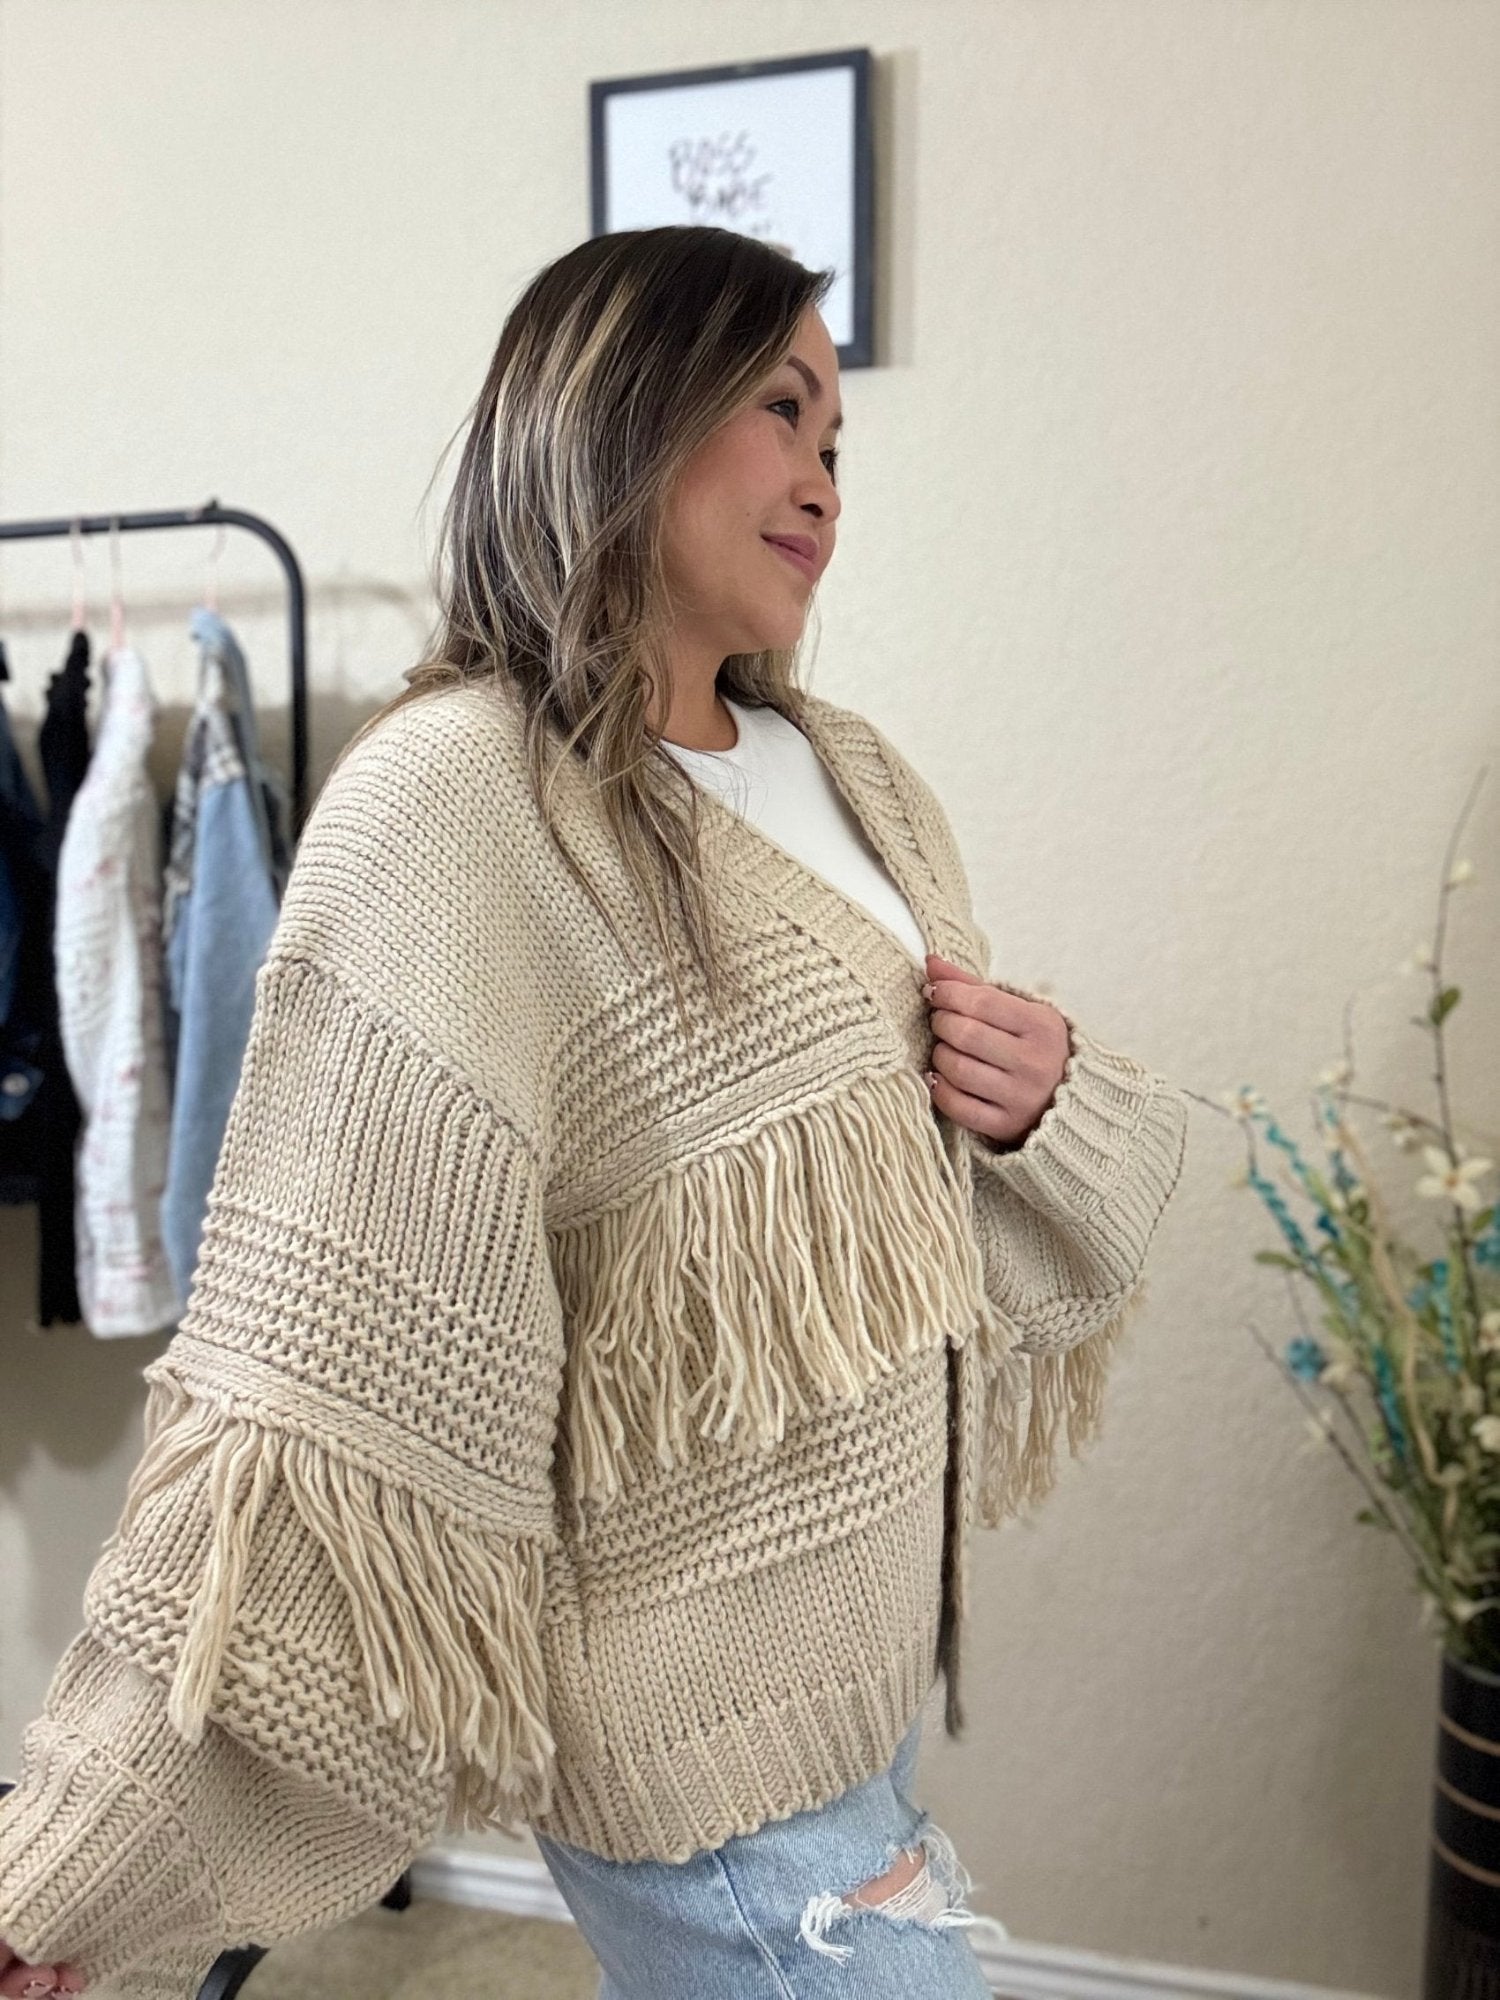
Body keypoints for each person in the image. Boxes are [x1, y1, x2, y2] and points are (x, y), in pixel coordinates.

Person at [0, 225, 1189, 2000]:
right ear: (621, 413)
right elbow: (315, 1399)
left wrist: (1040, 1108)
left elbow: (902, 1206)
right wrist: (74, 1863)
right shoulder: (461, 803)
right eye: (782, 412)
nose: (824, 481)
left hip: (860, 1693)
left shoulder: (852, 773)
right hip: (696, 1762)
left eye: (841, 444)